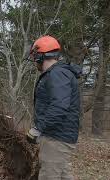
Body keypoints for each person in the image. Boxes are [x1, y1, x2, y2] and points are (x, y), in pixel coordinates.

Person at [26, 35, 82, 180]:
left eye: (34, 56)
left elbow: (59, 107)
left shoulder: (57, 74)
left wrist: (39, 128)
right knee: (63, 175)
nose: (34, 61)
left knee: (49, 175)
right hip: (57, 135)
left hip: (56, 138)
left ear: (40, 55)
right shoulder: (57, 73)